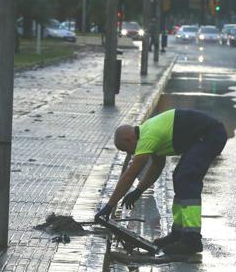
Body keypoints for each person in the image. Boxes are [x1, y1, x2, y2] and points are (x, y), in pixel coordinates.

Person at [95, 109, 227, 255]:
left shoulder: (147, 138)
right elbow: (157, 166)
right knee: (179, 177)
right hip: (202, 137)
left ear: (129, 139)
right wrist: (138, 191)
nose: (129, 154)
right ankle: (178, 233)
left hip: (210, 136)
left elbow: (130, 175)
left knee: (186, 178)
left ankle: (192, 240)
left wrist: (109, 205)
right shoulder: (148, 132)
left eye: (126, 149)